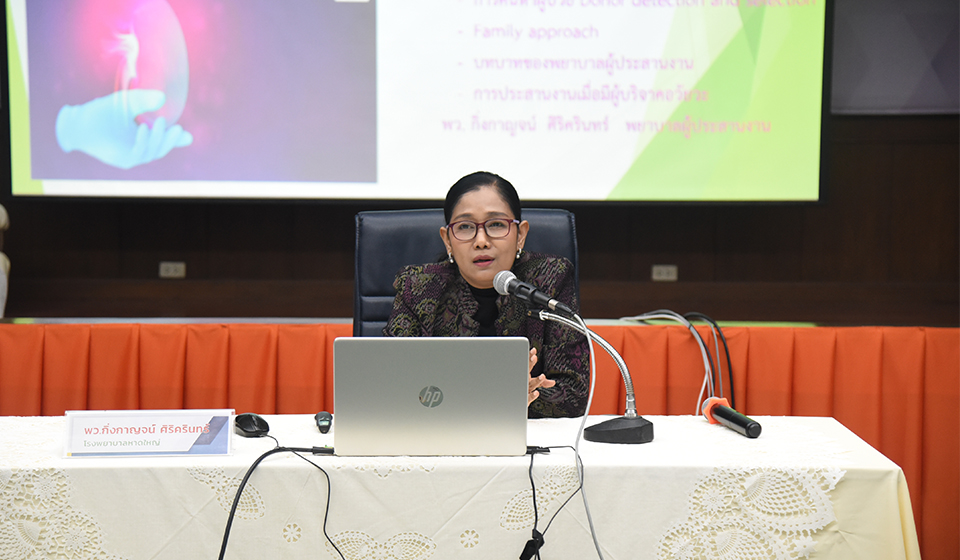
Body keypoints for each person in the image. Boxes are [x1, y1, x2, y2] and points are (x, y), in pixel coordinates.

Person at [383, 171, 589, 418]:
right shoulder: (417, 287)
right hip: (438, 431)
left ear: (521, 235)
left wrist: (524, 395)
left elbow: (574, 394)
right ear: (447, 240)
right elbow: (389, 384)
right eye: (465, 227)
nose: (481, 241)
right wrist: (502, 394)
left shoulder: (550, 279)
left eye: (496, 225)